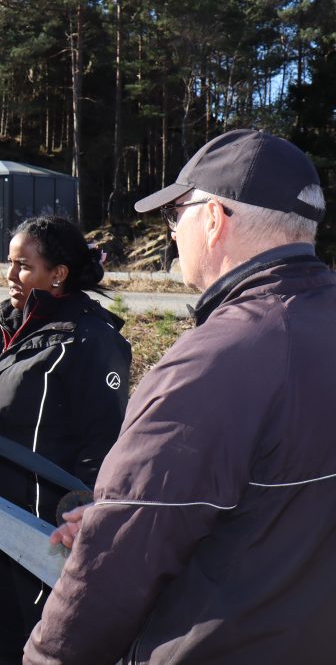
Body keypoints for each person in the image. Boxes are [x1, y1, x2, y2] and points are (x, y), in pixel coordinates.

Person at [25, 130, 335, 664]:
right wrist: (124, 511)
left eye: (177, 215)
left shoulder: (215, 360)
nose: (172, 234)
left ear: (213, 219)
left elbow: (120, 560)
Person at [0, 216, 131, 665]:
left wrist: (79, 526)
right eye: (9, 264)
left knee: (47, 647)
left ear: (58, 273)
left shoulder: (92, 340)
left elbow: (104, 446)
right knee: (5, 641)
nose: (10, 277)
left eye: (22, 266)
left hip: (46, 532)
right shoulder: (7, 325)